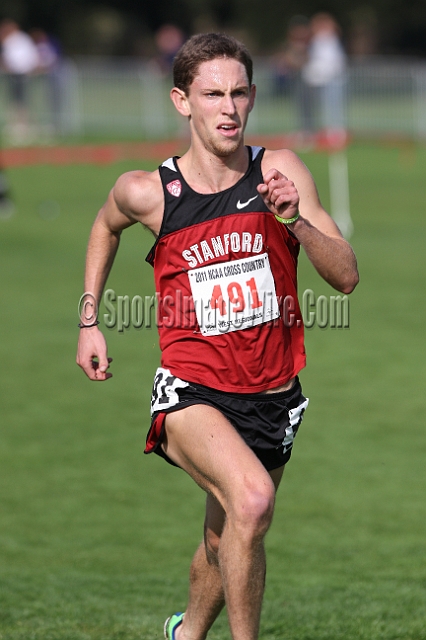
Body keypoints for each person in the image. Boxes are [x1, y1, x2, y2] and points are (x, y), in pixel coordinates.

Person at [76, 32, 359, 640]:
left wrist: (295, 221)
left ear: (254, 96)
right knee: (252, 502)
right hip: (191, 390)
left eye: (238, 93)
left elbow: (346, 277)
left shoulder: (279, 171)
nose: (227, 108)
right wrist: (89, 320)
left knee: (226, 531)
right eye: (212, 94)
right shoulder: (149, 191)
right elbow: (105, 225)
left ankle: (186, 633)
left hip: (273, 394)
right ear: (182, 101)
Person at [300, 13, 347, 144]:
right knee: (310, 107)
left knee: (333, 106)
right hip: (315, 80)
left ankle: (335, 132)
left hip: (331, 79)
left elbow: (334, 61)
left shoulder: (331, 41)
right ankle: (309, 131)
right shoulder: (314, 41)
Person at [0, 19, 39, 144]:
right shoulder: (17, 40)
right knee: (16, 100)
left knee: (20, 100)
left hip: (20, 73)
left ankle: (22, 126)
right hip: (16, 73)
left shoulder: (17, 40)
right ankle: (16, 124)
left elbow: (18, 58)